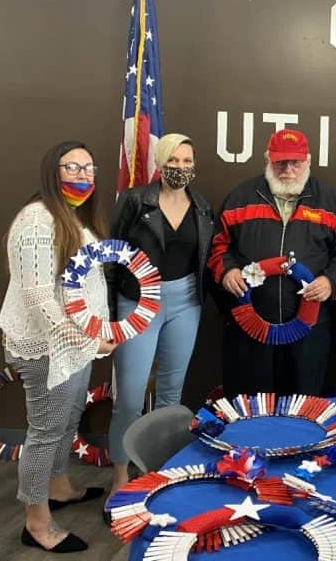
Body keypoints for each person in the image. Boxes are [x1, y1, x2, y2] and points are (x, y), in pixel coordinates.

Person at [0, 141, 116, 554]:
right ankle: (36, 521)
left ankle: (59, 485)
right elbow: (37, 296)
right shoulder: (35, 219)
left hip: (74, 345)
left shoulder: (75, 218)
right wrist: (83, 337)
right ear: (53, 171)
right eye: (72, 167)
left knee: (66, 420)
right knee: (46, 431)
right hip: (46, 347)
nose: (83, 175)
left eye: (89, 168)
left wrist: (94, 332)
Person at [106, 134, 215, 503]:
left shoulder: (202, 206)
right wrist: (110, 315)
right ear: (160, 162)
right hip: (138, 302)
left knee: (171, 393)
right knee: (130, 397)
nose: (180, 167)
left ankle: (159, 474)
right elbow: (112, 257)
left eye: (187, 161)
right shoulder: (134, 201)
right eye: (173, 160)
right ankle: (121, 476)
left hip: (186, 302)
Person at [209, 128, 336, 396]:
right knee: (252, 404)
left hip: (309, 328)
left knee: (302, 403)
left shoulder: (329, 201)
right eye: (280, 162)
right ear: (268, 160)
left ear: (308, 161)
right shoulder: (240, 198)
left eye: (295, 162)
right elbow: (218, 246)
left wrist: (330, 281)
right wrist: (227, 271)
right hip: (251, 327)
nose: (288, 169)